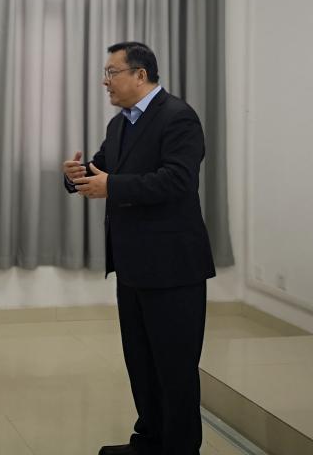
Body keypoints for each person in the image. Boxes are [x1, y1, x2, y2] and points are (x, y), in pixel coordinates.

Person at [64, 41, 215, 455]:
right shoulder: (120, 124)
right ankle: (149, 440)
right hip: (132, 265)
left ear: (140, 75)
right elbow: (100, 169)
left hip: (173, 267)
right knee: (142, 362)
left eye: (112, 72)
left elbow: (177, 180)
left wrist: (111, 185)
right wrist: (75, 176)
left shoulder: (178, 117)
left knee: (175, 367)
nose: (105, 81)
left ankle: (180, 449)